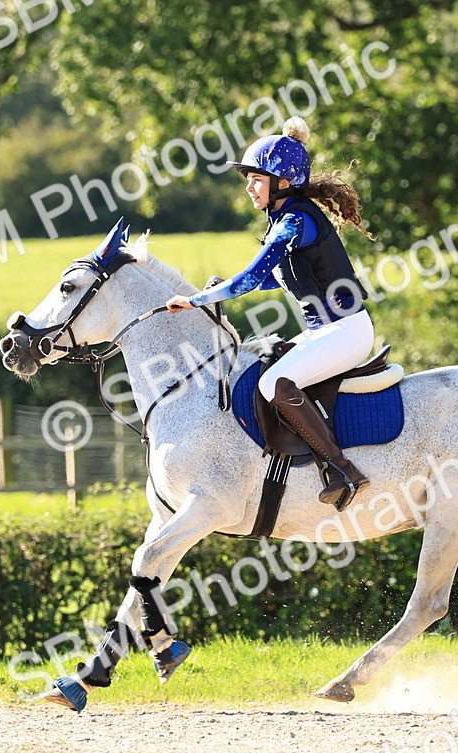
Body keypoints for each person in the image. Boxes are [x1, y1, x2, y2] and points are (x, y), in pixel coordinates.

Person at [165, 117, 376, 508]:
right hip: (327, 331)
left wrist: (196, 299)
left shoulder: (295, 221)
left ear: (283, 181)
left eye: (256, 179)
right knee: (264, 366)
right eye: (248, 179)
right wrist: (218, 288)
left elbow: (250, 278)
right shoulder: (287, 218)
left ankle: (341, 469)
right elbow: (275, 278)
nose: (248, 187)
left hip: (346, 332)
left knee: (274, 384)